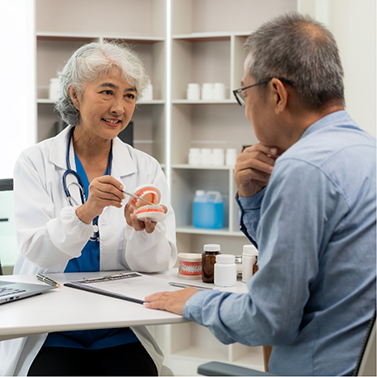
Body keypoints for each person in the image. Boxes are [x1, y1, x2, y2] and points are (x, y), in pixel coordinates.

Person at [144, 12, 376, 376]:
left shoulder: (303, 168)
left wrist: (196, 302)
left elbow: (268, 320)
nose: (246, 110)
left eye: (244, 94)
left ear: (278, 94)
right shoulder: (366, 152)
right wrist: (253, 201)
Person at [0, 41, 177, 376]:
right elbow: (37, 252)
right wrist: (85, 212)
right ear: (76, 95)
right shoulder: (35, 162)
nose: (119, 107)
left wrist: (144, 233)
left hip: (118, 325)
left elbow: (158, 265)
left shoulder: (145, 167)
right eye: (107, 92)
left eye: (130, 95)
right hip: (51, 327)